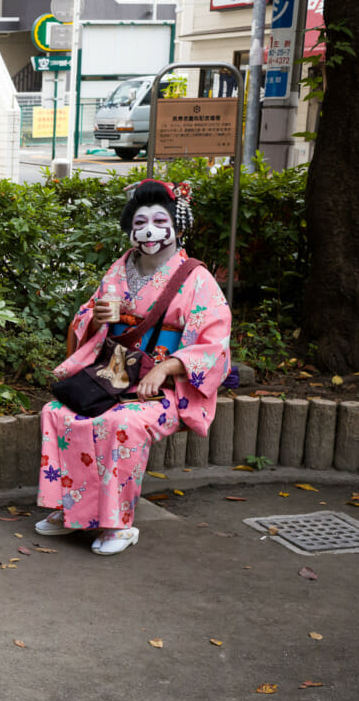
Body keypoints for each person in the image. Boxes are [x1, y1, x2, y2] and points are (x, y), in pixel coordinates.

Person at [35, 179, 231, 555]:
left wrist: (167, 367)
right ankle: (68, 507)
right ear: (130, 230)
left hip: (164, 389)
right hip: (116, 373)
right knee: (57, 413)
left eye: (160, 220)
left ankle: (117, 524)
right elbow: (86, 319)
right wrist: (95, 320)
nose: (149, 231)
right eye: (140, 223)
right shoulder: (120, 268)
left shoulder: (197, 279)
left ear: (177, 226)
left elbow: (214, 344)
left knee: (120, 424)